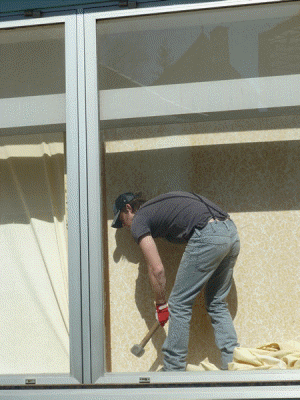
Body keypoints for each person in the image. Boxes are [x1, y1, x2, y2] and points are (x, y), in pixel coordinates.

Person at [112, 191, 240, 371]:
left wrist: (161, 305)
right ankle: (233, 362)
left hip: (209, 233)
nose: (124, 225)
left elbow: (156, 269)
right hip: (230, 232)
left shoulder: (139, 219)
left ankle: (173, 368)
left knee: (179, 304)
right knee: (217, 302)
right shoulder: (157, 207)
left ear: (129, 208)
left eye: (122, 220)